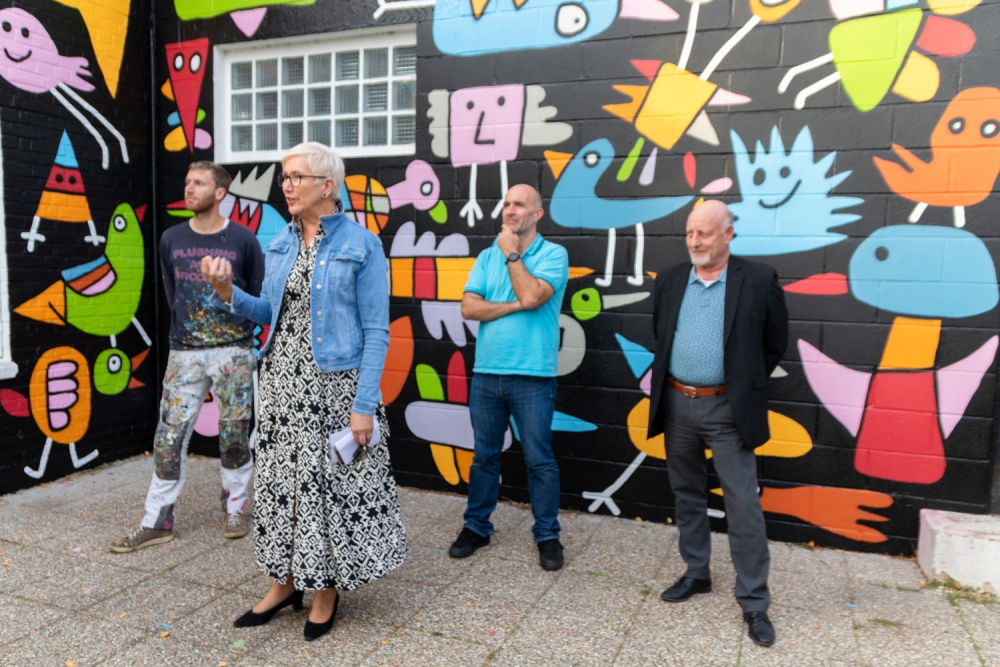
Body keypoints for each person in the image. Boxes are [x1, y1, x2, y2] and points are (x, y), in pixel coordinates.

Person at [201, 142, 406, 642]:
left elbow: (377, 331)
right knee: (281, 489)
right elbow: (269, 314)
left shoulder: (362, 245)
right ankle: (284, 583)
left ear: (327, 186)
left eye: (296, 177)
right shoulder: (279, 242)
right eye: (284, 177)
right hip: (281, 386)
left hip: (333, 389)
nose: (287, 186)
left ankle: (325, 590)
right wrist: (227, 293)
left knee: (327, 491)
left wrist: (363, 405)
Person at [647, 200, 788, 647]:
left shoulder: (759, 279)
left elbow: (775, 343)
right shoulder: (671, 279)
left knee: (742, 503)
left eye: (704, 233)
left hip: (728, 410)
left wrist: (740, 385)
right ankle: (697, 572)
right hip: (677, 404)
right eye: (690, 233)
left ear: (728, 234)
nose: (695, 241)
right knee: (686, 492)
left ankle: (754, 600)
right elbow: (660, 333)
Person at [110, 161, 264, 553]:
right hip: (184, 354)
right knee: (169, 436)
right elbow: (172, 292)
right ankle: (157, 520)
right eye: (187, 182)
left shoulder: (244, 239)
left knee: (234, 435)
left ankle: (236, 507)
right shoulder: (171, 238)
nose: (189, 188)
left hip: (234, 353)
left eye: (198, 183)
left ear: (220, 192)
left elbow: (256, 295)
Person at [449, 184, 569, 571]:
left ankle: (547, 535)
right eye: (506, 204)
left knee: (539, 460)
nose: (509, 210)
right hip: (487, 373)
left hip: (533, 376)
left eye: (519, 205)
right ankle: (477, 527)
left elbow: (534, 295)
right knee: (484, 457)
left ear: (537, 213)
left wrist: (512, 254)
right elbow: (469, 308)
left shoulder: (553, 254)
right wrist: (516, 304)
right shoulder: (487, 256)